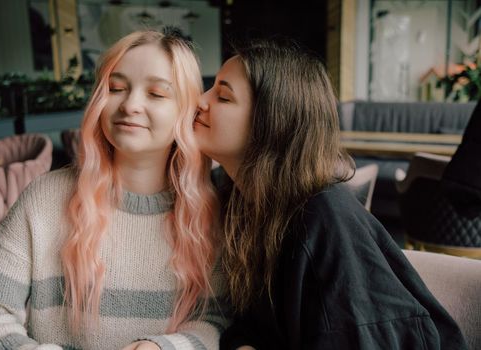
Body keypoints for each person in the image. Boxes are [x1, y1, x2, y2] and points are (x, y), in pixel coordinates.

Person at [0, 29, 228, 350]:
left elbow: (216, 317)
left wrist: (167, 347)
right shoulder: (45, 197)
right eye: (116, 88)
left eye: (156, 93)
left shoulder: (212, 206)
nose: (130, 105)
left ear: (187, 111)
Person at [193, 39, 468, 349]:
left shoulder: (322, 217)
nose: (200, 101)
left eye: (223, 96)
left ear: (271, 122)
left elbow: (358, 337)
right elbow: (255, 323)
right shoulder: (239, 202)